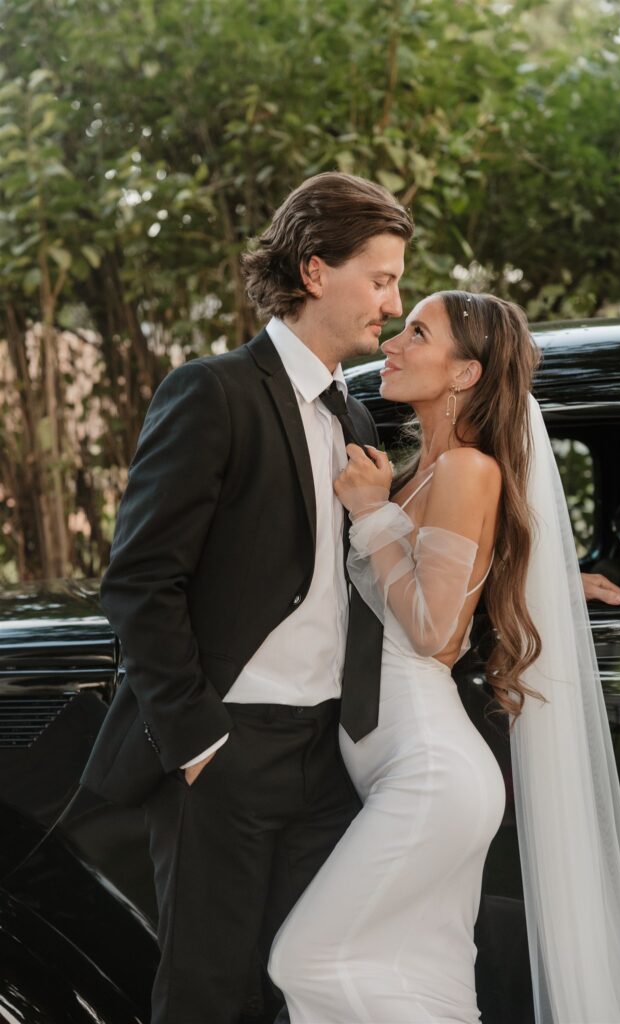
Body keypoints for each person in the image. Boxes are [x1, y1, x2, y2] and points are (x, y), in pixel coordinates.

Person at [267, 290, 620, 1024]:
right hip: (399, 763)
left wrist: (369, 512)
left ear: (464, 376)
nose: (392, 341)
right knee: (430, 984)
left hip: (429, 772)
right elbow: (445, 577)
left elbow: (435, 634)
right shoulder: (425, 470)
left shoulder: (465, 471)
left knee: (306, 959)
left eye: (417, 332)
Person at [79, 171, 413, 1024]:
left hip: (328, 753)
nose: (392, 301)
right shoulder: (212, 392)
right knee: (208, 998)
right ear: (313, 271)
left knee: (299, 995)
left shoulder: (359, 420)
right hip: (226, 751)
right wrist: (196, 742)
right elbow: (140, 581)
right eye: (379, 278)